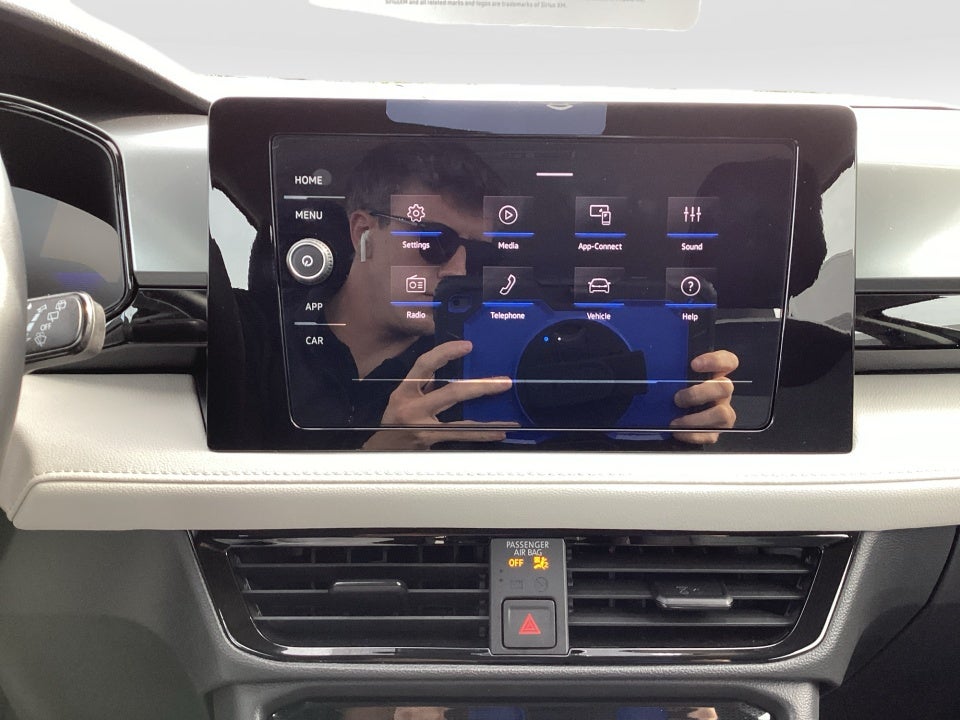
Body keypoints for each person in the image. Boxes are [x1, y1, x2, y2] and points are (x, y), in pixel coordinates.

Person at [313, 140, 738, 450]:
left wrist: (689, 414)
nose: (458, 270)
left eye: (480, 255)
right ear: (364, 233)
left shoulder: (482, 363)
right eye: (433, 242)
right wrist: (385, 452)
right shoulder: (273, 343)